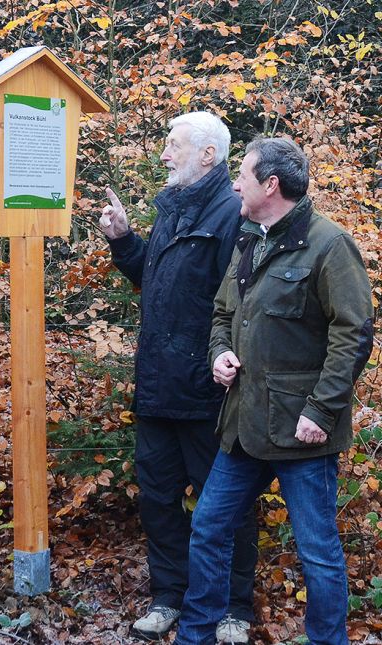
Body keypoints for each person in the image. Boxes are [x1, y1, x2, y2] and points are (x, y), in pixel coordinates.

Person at [173, 137, 374, 645]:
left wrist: (322, 411)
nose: (234, 183)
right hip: (243, 426)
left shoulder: (330, 245)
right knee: (209, 529)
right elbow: (223, 313)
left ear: (271, 184)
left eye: (243, 174)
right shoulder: (249, 238)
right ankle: (196, 636)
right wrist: (221, 353)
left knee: (318, 552)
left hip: (302, 433)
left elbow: (354, 333)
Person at [98, 112, 257, 642]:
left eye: (173, 145)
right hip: (158, 390)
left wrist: (227, 366)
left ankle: (235, 607)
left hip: (210, 392)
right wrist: (124, 242)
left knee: (225, 502)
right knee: (158, 498)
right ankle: (169, 596)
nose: (163, 155)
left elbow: (242, 306)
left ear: (208, 155)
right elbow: (157, 282)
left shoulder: (234, 212)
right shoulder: (172, 209)